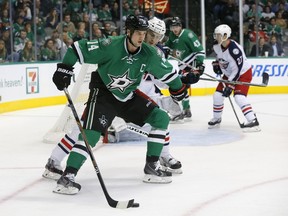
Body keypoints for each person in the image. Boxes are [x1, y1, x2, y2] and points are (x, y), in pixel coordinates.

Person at [44, 15, 191, 195]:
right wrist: (64, 69)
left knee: (160, 118)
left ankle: (152, 167)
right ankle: (67, 177)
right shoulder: (110, 45)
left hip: (128, 95)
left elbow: (168, 74)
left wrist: (179, 89)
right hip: (104, 94)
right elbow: (77, 48)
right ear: (128, 32)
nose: (142, 37)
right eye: (138, 33)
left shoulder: (149, 53)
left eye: (144, 33)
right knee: (89, 134)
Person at [106, 16, 199, 174]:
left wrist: (182, 79)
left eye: (158, 37)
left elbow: (161, 82)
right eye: (152, 34)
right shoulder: (131, 47)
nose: (154, 39)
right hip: (122, 95)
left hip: (139, 97)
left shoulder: (155, 53)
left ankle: (163, 156)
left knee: (161, 120)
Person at [208, 24, 260, 132]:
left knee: (239, 97)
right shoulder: (216, 45)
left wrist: (230, 86)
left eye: (219, 35)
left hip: (243, 73)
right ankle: (217, 118)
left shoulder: (234, 50)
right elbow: (220, 56)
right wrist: (217, 64)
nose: (216, 37)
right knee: (217, 95)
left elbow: (237, 70)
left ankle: (253, 121)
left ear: (225, 36)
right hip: (229, 73)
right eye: (216, 35)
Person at [164, 16, 205, 121]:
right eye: (172, 27)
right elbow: (168, 45)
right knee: (182, 87)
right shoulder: (172, 35)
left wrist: (200, 64)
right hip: (182, 65)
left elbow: (200, 51)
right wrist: (165, 50)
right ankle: (186, 109)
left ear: (180, 26)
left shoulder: (188, 35)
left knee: (181, 86)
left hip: (192, 64)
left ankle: (184, 110)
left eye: (176, 26)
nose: (174, 29)